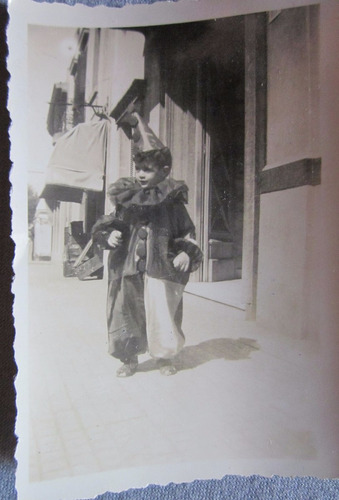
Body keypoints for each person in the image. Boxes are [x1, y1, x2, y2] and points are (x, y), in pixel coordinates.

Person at [92, 122, 202, 377]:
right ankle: (129, 358)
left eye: (148, 170)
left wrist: (186, 251)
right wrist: (110, 236)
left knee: (163, 313)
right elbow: (112, 222)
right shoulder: (128, 197)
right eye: (138, 168)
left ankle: (164, 357)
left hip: (160, 268)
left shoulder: (173, 203)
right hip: (128, 267)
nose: (141, 174)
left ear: (163, 171)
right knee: (126, 312)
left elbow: (187, 231)